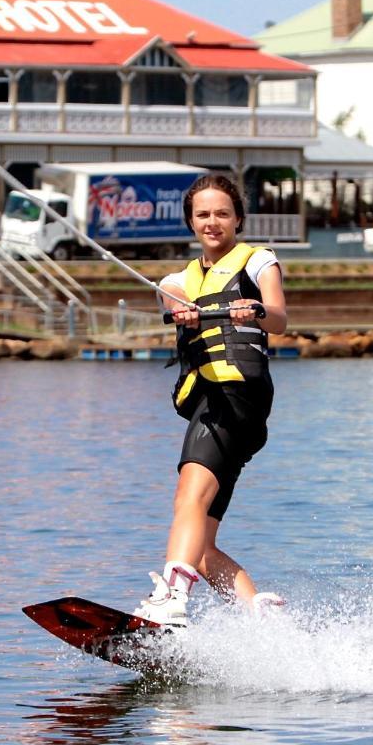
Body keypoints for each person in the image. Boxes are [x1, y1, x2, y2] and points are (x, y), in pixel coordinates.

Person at [134, 174, 287, 628]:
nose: (213, 222)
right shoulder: (180, 278)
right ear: (191, 222)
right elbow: (169, 295)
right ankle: (262, 620)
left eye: (223, 213)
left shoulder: (258, 262)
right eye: (203, 214)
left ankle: (170, 601)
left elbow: (279, 318)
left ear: (238, 218)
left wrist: (255, 310)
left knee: (188, 497)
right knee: (200, 546)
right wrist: (178, 308)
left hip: (237, 398)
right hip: (217, 403)